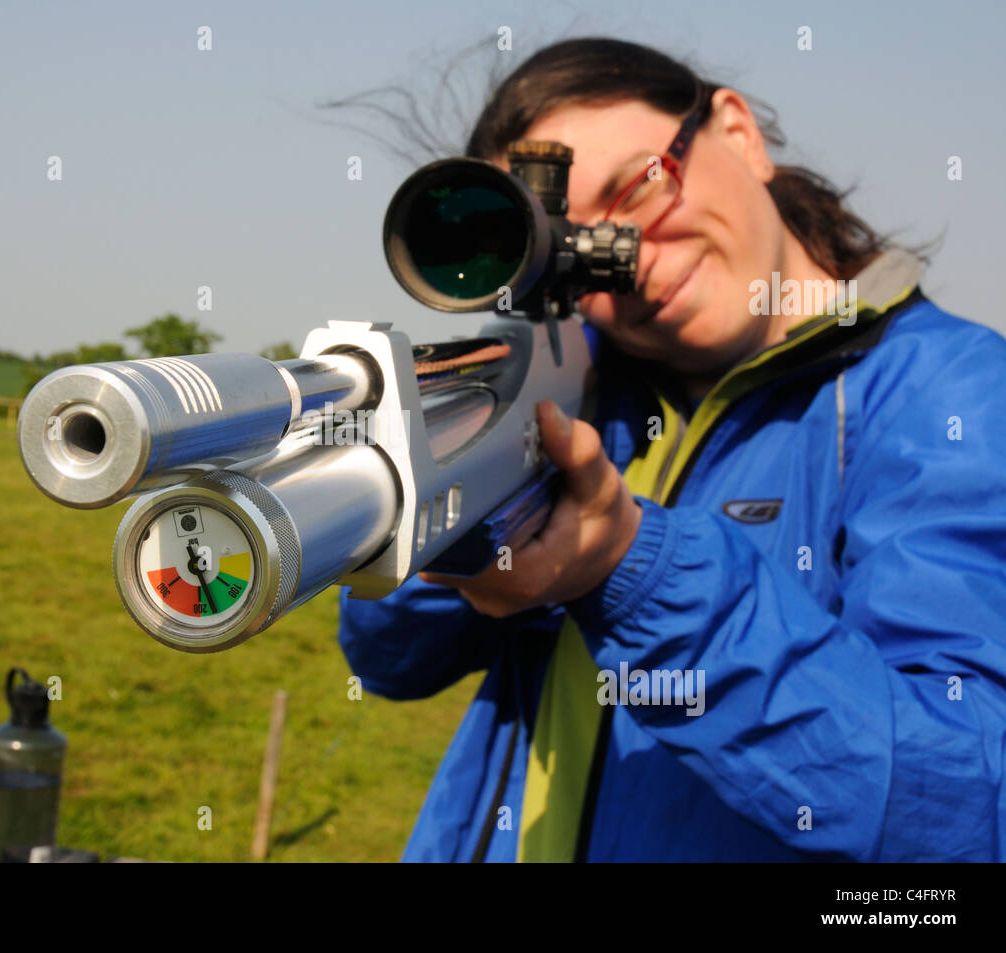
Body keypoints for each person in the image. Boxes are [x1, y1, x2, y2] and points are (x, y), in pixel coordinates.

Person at [336, 37, 1006, 861]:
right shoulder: (580, 388)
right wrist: (447, 520)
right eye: (571, 245)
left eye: (641, 186)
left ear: (738, 130)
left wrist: (630, 568)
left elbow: (966, 796)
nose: (633, 259)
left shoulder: (958, 391)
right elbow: (389, 662)